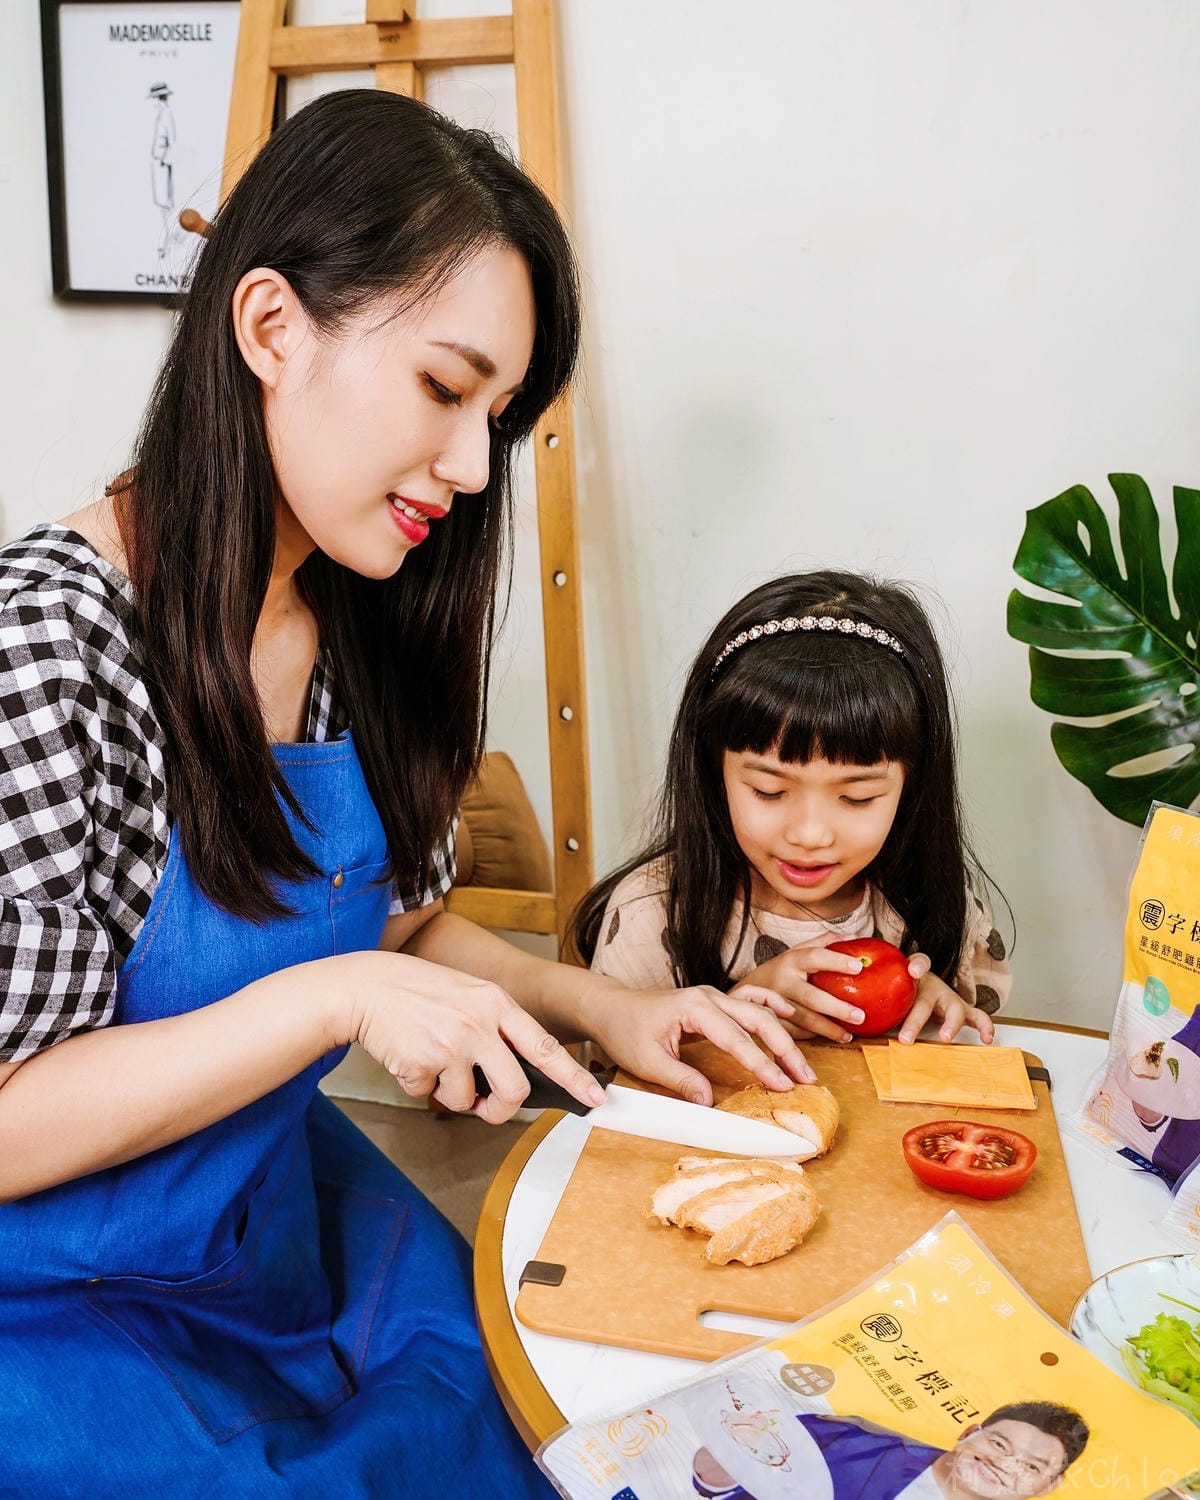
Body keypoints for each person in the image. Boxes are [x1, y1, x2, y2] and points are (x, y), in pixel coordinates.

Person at [0, 90, 812, 1498]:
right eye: (444, 388)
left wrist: (606, 1009)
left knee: (570, 1423)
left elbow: (392, 924)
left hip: (264, 1225)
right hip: (55, 1304)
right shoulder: (48, 648)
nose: (472, 467)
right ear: (270, 327)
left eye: (499, 416)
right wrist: (333, 1002)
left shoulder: (354, 617)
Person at [571, 571, 1011, 1047]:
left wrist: (926, 1012)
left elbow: (978, 1059)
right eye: (768, 790)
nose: (809, 834)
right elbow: (616, 1079)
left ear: (913, 785)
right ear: (715, 771)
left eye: (857, 798)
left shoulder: (933, 903)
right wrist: (741, 1008)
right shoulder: (654, 912)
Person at [692, 1400, 1090, 1499]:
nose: (1003, 1465)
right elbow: (713, 1480)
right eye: (999, 1444)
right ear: (970, 1432)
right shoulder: (853, 1440)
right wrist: (730, 1456)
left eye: (1031, 1467)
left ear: (1049, 1486)